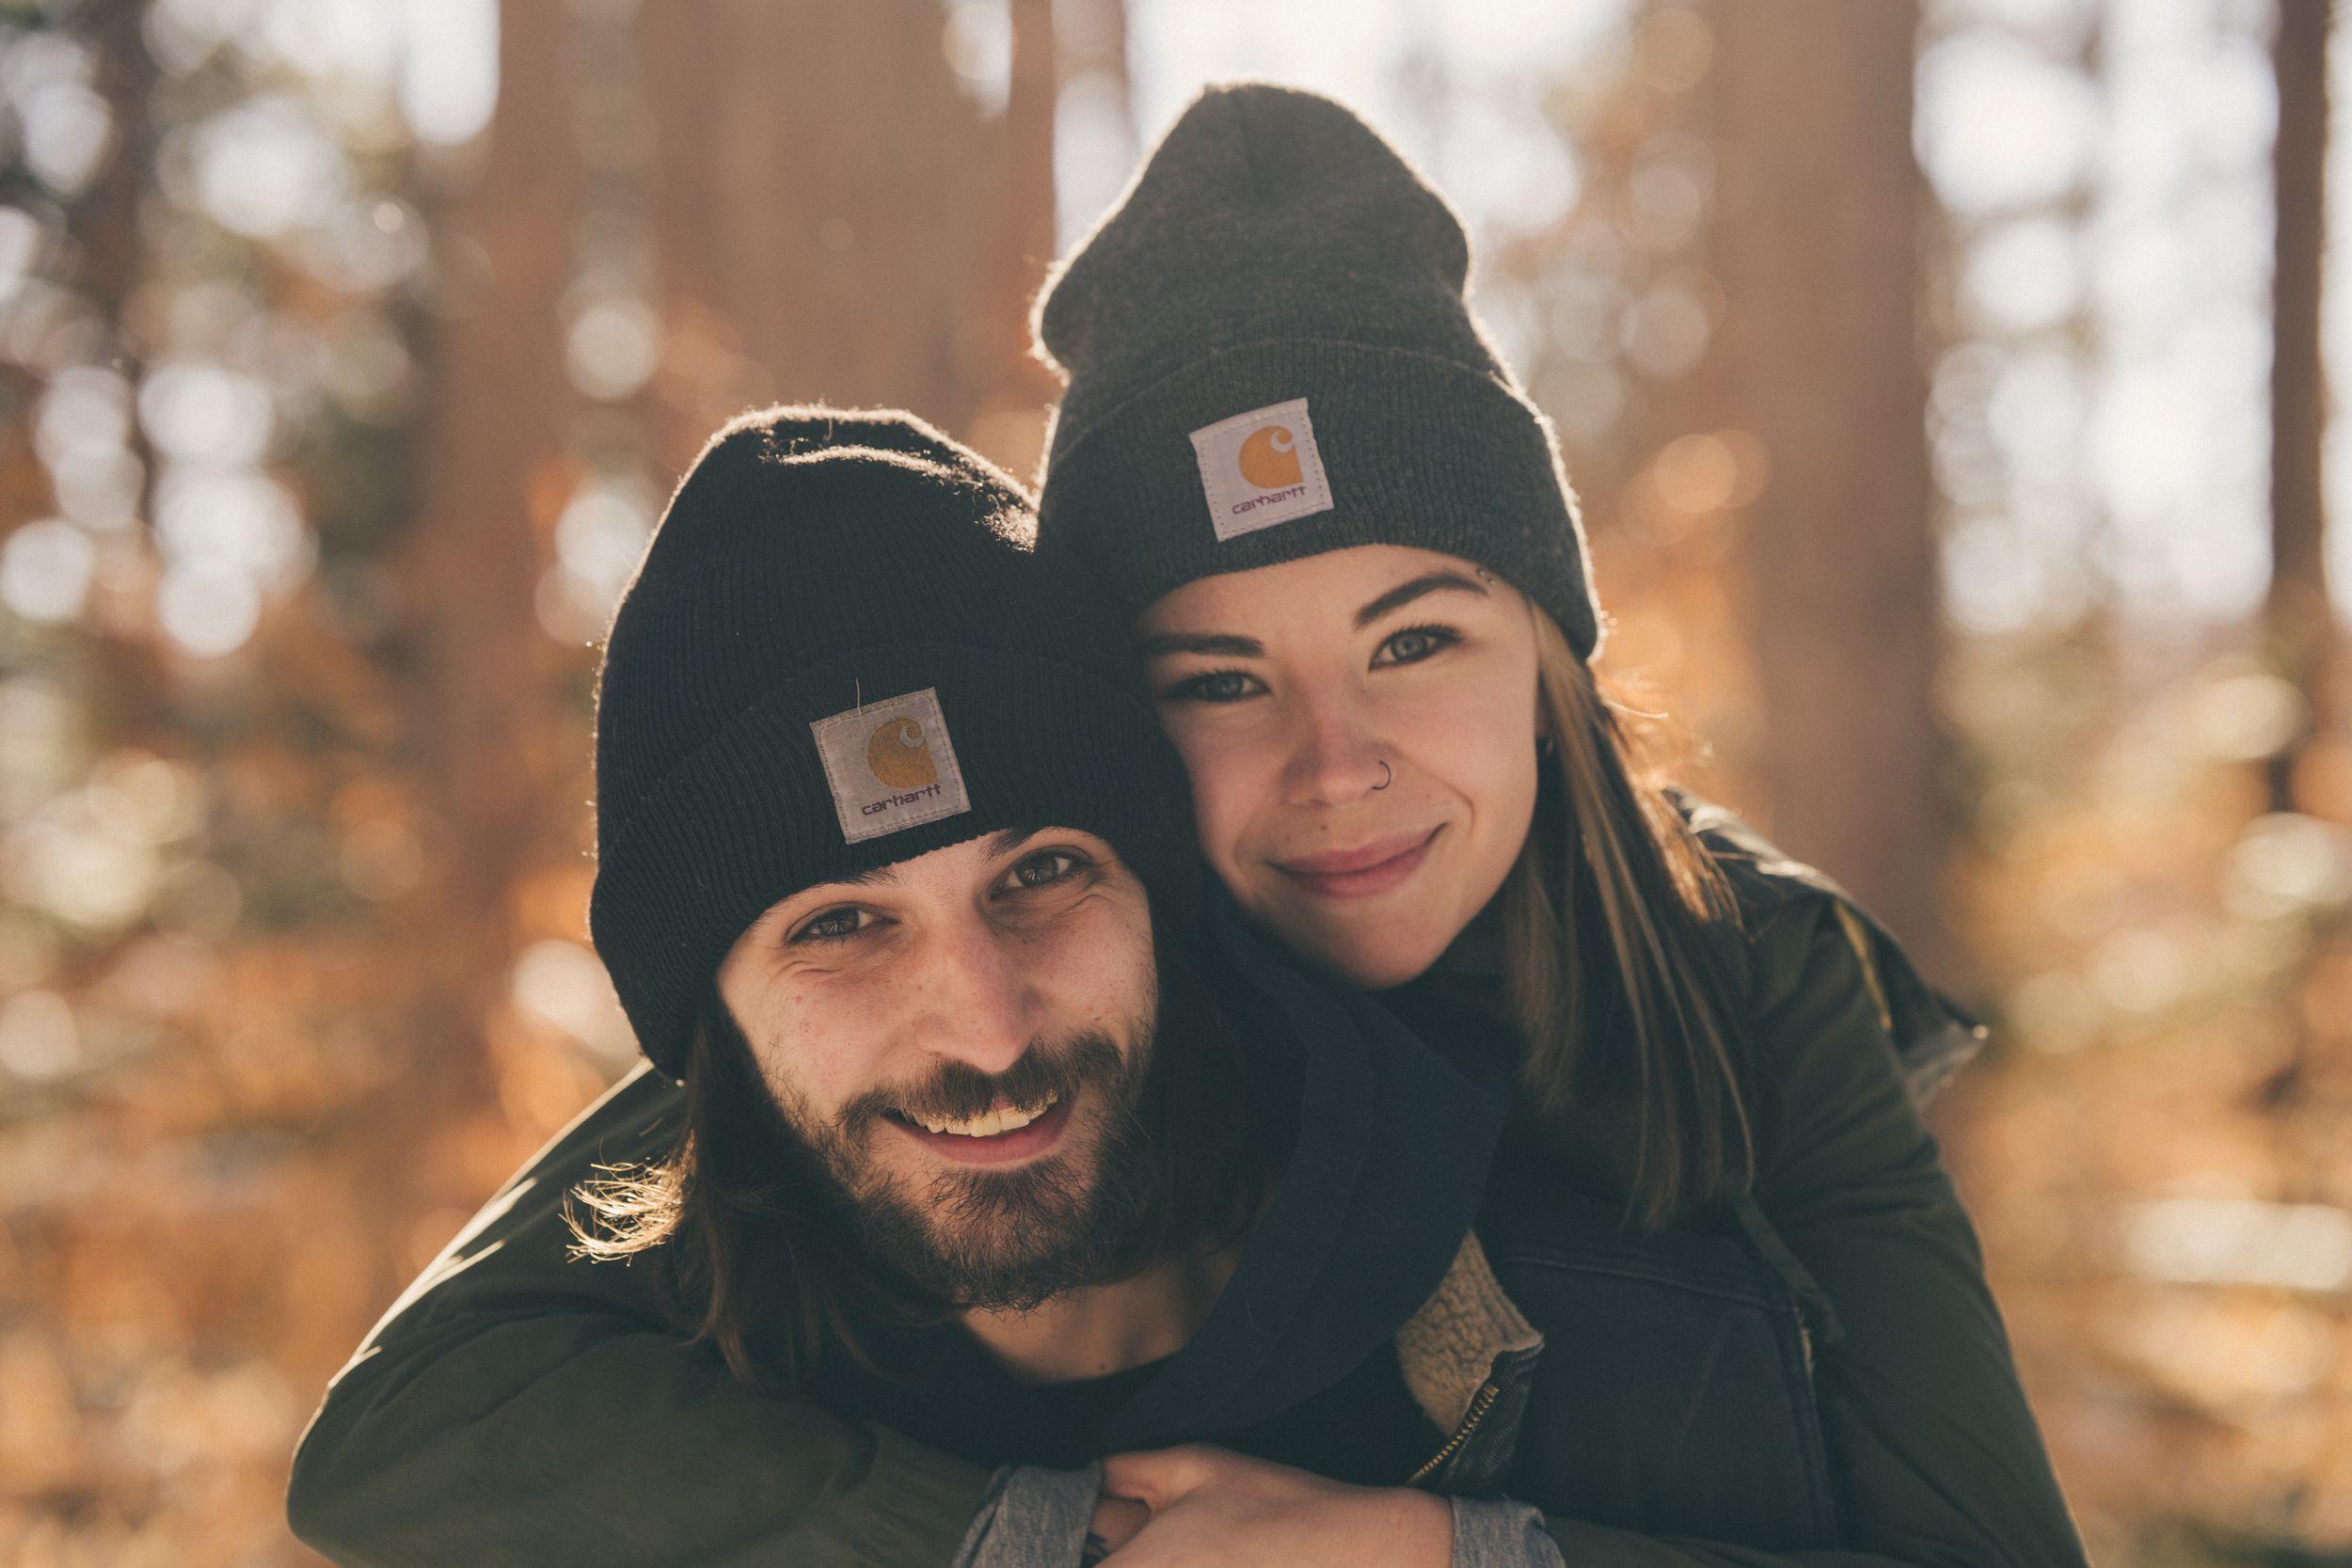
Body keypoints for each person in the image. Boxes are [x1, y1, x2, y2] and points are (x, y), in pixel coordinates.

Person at [288, 86, 2090, 1568]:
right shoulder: (1018, 972)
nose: (1336, 764)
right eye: (1220, 678)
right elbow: (418, 1423)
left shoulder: (1743, 971)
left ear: (1549, 651)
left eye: (1417, 640)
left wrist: (1430, 1556)